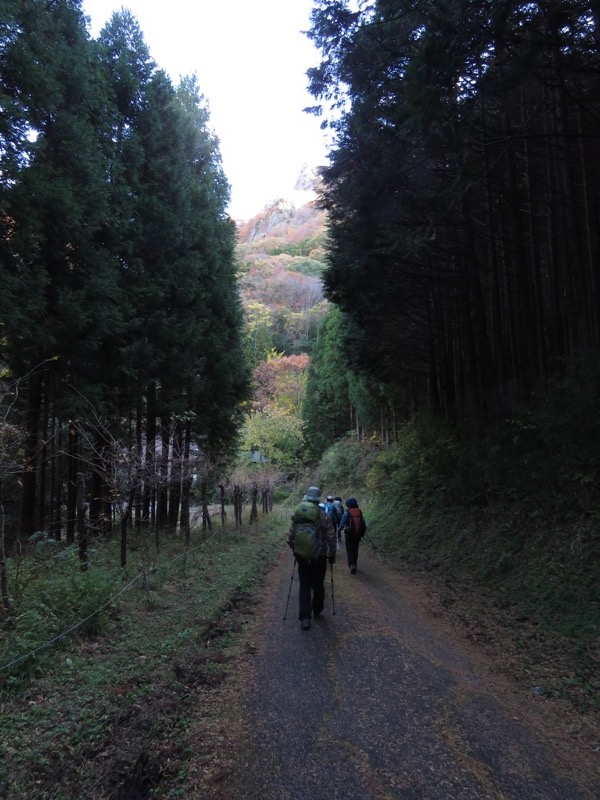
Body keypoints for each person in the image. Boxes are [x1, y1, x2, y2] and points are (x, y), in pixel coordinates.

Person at [288, 486, 336, 630]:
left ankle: (305, 618)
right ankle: (317, 609)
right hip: (319, 556)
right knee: (318, 583)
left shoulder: (298, 514)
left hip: (302, 556)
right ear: (318, 499)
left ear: (307, 498)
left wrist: (296, 551)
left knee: (304, 586)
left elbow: (291, 536)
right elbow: (331, 537)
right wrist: (332, 555)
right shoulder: (324, 516)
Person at [338, 497, 366, 574]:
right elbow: (363, 523)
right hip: (357, 534)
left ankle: (351, 565)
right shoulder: (359, 512)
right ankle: (355, 564)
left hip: (349, 534)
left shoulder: (347, 513)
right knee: (355, 549)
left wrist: (338, 531)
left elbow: (342, 524)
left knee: (349, 549)